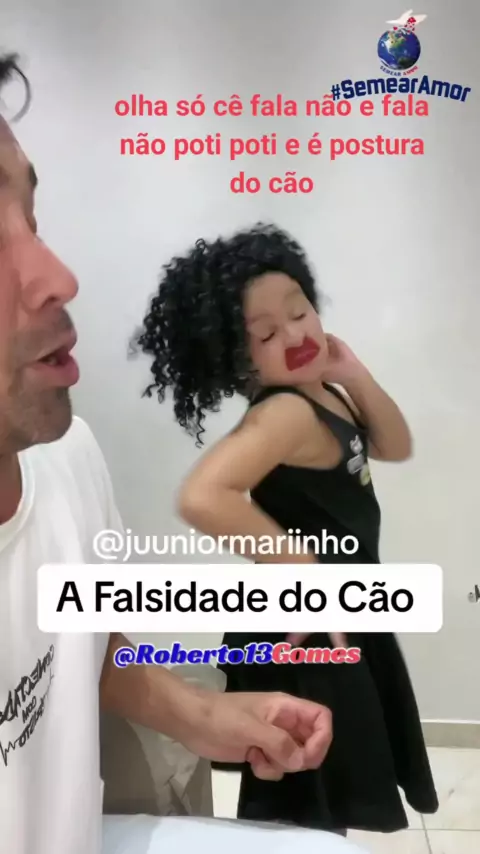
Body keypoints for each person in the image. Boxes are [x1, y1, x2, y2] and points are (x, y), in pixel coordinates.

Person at [0, 53, 338, 854]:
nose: (59, 278)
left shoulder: (67, 457)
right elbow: (205, 497)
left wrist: (204, 715)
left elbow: (83, 646)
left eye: (31, 221)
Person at [133, 223, 439, 835]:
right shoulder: (286, 413)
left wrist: (353, 373)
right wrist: (307, 572)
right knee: (305, 781)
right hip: (307, 619)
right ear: (238, 358)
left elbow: (394, 445)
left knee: (322, 774)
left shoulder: (322, 394)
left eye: (300, 312)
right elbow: (201, 496)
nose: (296, 335)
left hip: (337, 606)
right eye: (268, 333)